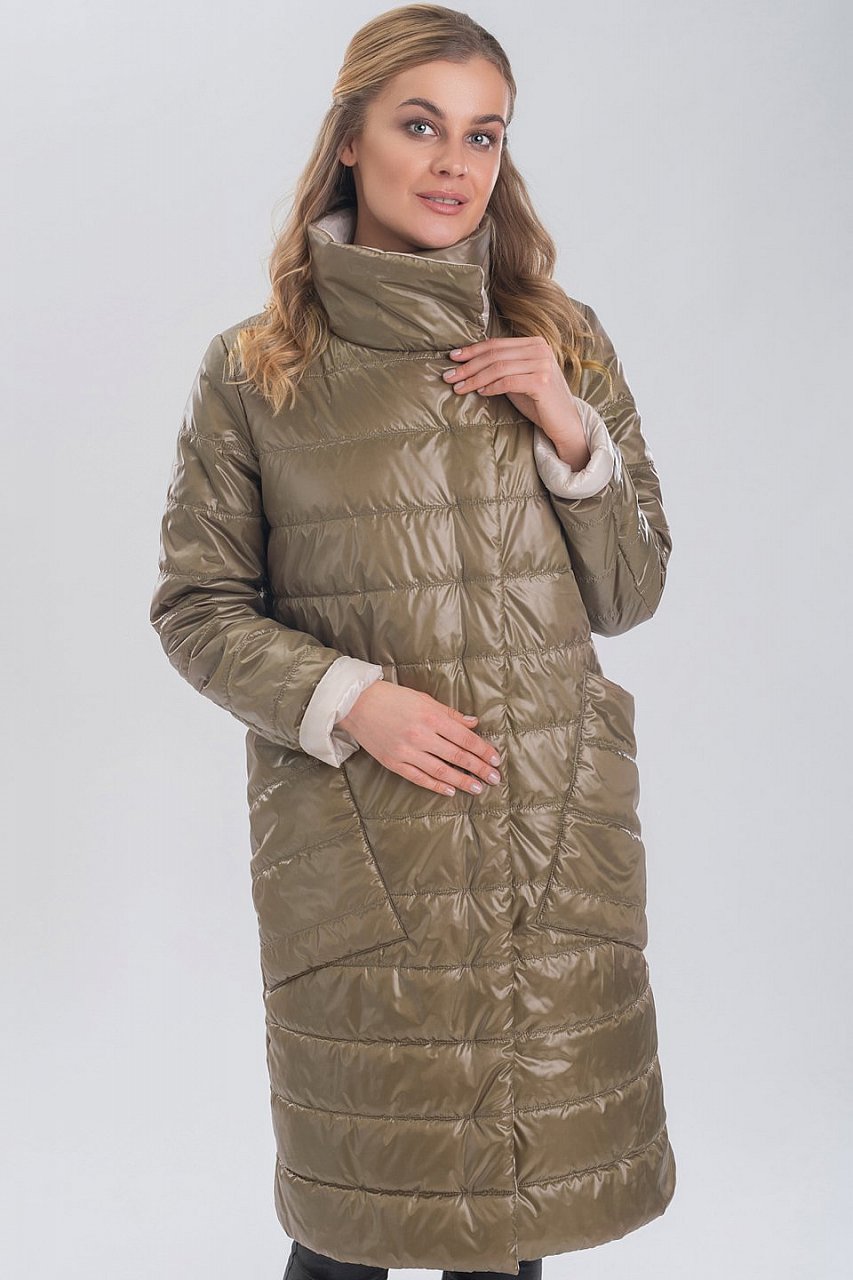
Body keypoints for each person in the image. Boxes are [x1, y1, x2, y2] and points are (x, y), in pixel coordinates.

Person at [149, 5, 677, 1278]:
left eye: (483, 135)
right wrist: (349, 698)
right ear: (350, 140)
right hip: (362, 852)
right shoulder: (257, 369)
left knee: (509, 1225)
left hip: (546, 835)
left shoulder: (563, 341)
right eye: (421, 125)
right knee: (352, 1220)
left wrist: (564, 420)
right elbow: (195, 606)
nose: (454, 164)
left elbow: (631, 590)